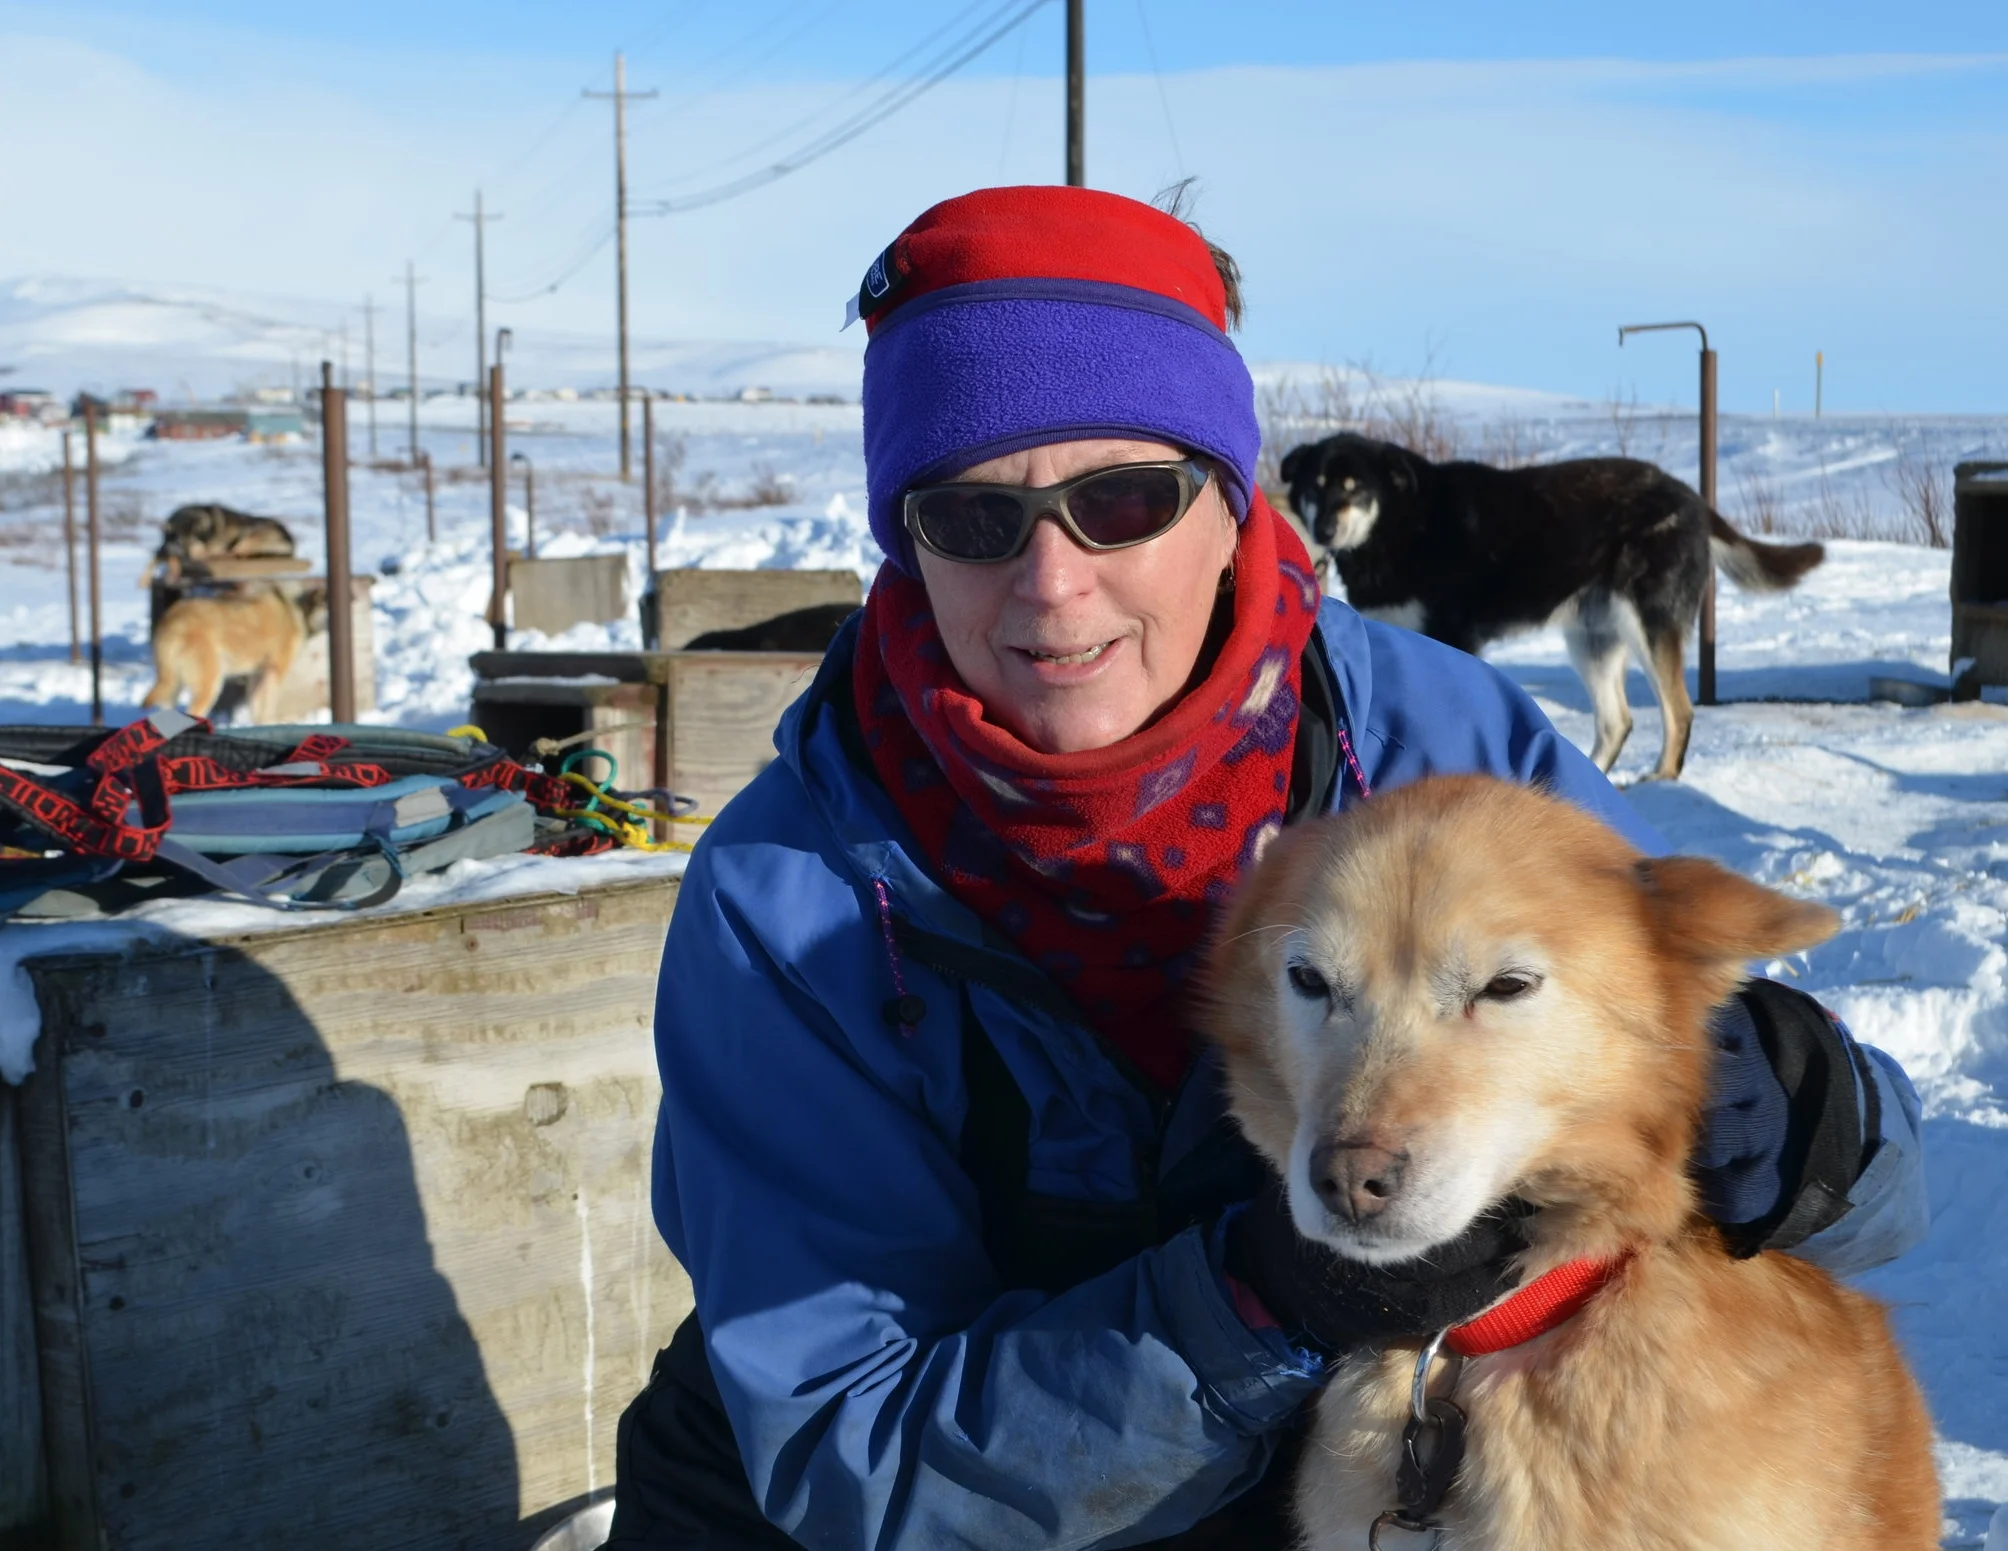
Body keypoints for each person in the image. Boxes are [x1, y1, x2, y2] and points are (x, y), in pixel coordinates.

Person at [607, 186, 1926, 1550]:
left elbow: (1841, 1198)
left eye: (1123, 498)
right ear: (910, 542)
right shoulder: (796, 895)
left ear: (1233, 506)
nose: (1053, 584)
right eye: (975, 518)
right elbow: (850, 1449)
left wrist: (1821, 1120)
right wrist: (1258, 1304)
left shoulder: (1438, 746)